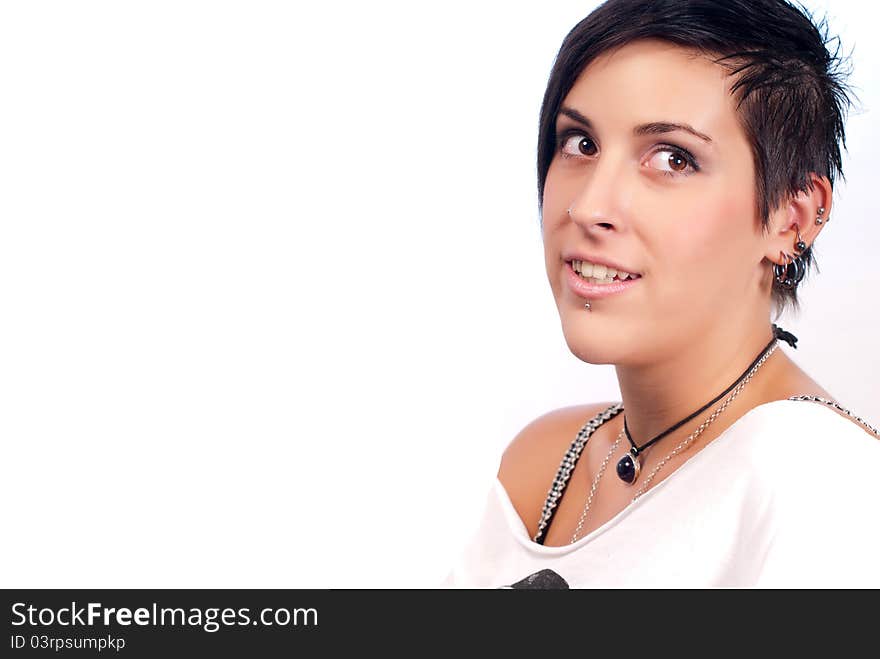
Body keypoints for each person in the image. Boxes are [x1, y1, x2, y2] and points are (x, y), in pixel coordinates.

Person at [441, 0, 880, 588]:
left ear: (791, 218)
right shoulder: (543, 467)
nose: (590, 206)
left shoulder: (823, 481)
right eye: (580, 144)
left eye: (673, 158)